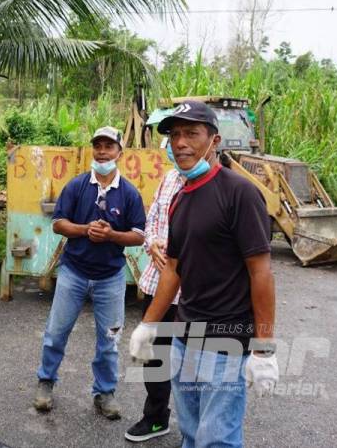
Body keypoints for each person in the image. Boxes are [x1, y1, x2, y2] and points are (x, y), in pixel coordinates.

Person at [129, 100, 279, 448]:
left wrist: (264, 349)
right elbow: (174, 269)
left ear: (215, 140)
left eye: (191, 133)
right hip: (184, 337)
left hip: (225, 343)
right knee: (192, 433)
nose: (180, 143)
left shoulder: (240, 194)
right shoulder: (182, 197)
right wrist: (149, 324)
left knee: (217, 440)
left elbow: (262, 274)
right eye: (174, 135)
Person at [33, 126, 146, 420]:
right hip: (73, 273)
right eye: (98, 146)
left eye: (109, 147)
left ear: (120, 152)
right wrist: (85, 230)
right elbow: (58, 223)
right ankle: (46, 382)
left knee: (109, 342)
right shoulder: (77, 186)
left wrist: (111, 235)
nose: (103, 152)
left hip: (111, 277)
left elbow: (138, 235)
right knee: (55, 334)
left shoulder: (129, 193)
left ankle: (105, 393)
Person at [124, 142, 183, 442]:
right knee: (156, 359)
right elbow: (152, 222)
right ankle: (157, 418)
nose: (177, 146)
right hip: (157, 284)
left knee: (192, 361)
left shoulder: (214, 185)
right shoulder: (170, 178)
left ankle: (196, 427)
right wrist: (154, 244)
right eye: (173, 138)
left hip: (192, 293)